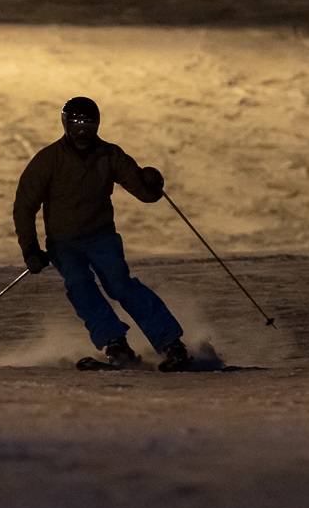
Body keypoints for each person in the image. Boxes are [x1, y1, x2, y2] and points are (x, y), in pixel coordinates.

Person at [13, 96, 190, 371]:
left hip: (101, 237)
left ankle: (171, 343)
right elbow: (24, 205)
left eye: (89, 124)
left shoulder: (109, 155)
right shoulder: (49, 160)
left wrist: (151, 181)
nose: (82, 132)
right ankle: (115, 343)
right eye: (76, 124)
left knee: (120, 285)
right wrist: (30, 249)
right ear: (65, 124)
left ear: (97, 125)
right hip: (64, 242)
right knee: (79, 283)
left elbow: (143, 190)